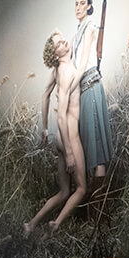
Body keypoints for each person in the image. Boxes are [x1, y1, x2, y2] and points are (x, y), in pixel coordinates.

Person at [24, 31, 87, 235]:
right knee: (81, 189)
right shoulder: (67, 71)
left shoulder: (58, 71)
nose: (64, 41)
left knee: (63, 192)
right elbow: (61, 116)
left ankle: (30, 225)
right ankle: (56, 224)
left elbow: (44, 95)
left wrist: (44, 129)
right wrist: (69, 152)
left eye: (63, 38)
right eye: (59, 43)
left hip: (59, 137)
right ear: (56, 53)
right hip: (69, 134)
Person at [70, 0, 114, 190]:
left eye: (82, 3)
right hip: (82, 91)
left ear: (89, 6)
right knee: (87, 149)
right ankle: (89, 208)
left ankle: (97, 212)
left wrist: (71, 87)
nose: (78, 7)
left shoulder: (90, 28)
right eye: (76, 3)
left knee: (97, 154)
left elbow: (84, 63)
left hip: (91, 87)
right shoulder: (76, 33)